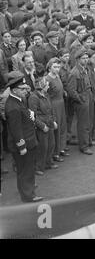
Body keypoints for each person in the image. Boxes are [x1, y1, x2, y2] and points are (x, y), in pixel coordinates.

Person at [5, 72, 43, 202]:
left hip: (29, 140)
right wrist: (22, 147)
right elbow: (16, 130)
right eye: (23, 89)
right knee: (25, 170)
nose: (26, 90)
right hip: (24, 144)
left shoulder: (17, 100)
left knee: (26, 169)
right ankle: (28, 195)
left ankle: (26, 188)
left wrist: (29, 113)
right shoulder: (13, 106)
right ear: (15, 90)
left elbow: (24, 115)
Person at [67, 49, 95, 155]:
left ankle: (88, 141)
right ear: (78, 59)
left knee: (90, 120)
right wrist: (80, 99)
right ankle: (84, 146)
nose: (86, 60)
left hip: (88, 95)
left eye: (86, 58)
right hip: (82, 98)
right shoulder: (74, 73)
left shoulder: (85, 69)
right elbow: (71, 90)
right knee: (83, 124)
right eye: (83, 58)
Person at [28, 76, 59, 175]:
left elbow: (51, 109)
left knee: (51, 144)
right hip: (42, 125)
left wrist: (53, 121)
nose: (48, 85)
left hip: (49, 122)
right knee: (42, 147)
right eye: (47, 84)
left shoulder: (45, 94)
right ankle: (38, 167)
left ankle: (48, 162)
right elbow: (33, 115)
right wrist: (42, 126)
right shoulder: (33, 98)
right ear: (42, 86)